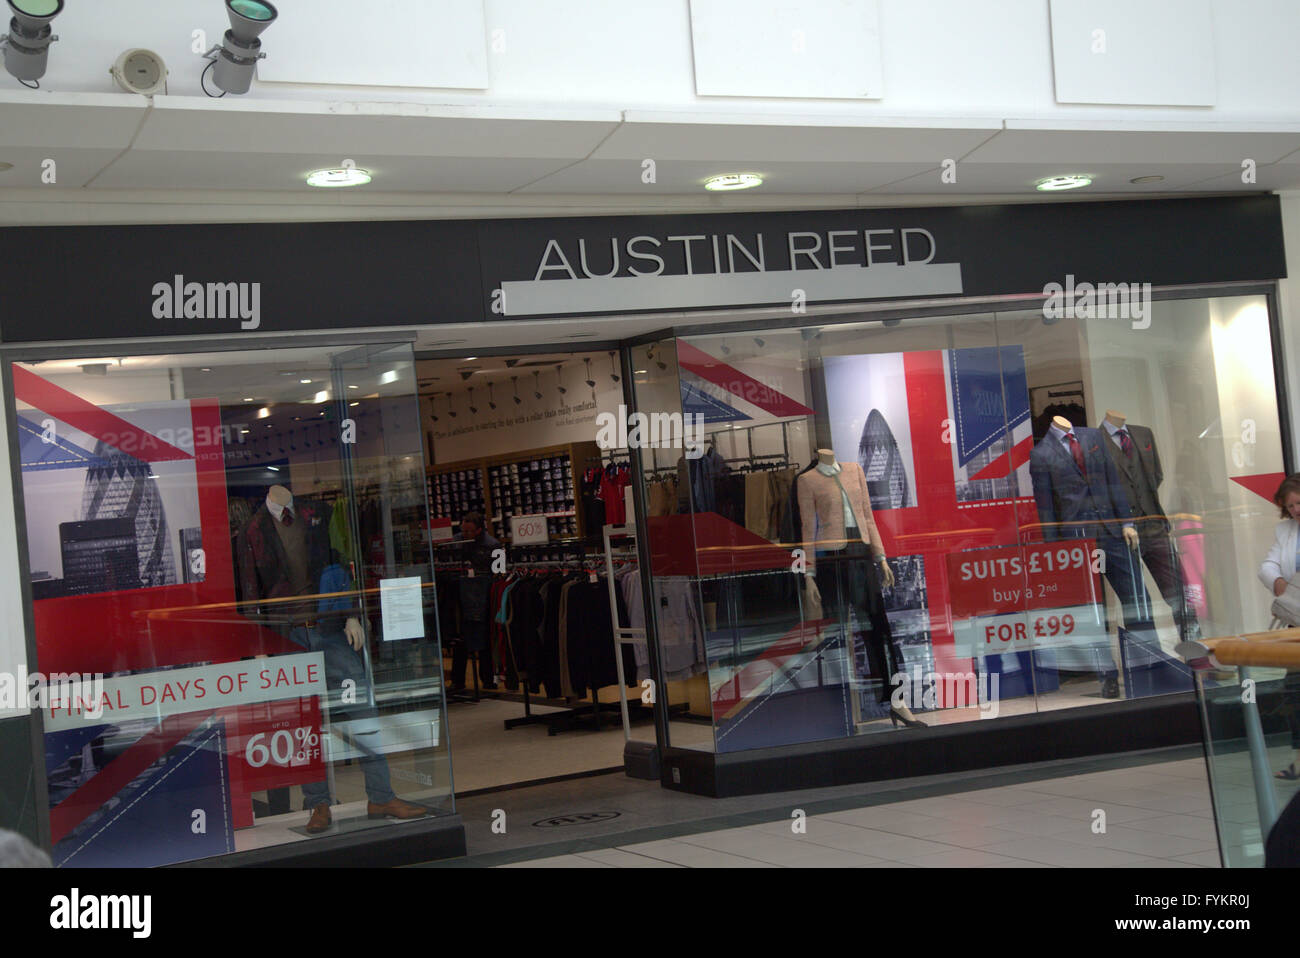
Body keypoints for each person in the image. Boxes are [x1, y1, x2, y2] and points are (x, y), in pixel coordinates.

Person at [1258, 473, 1300, 779]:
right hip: (1297, 623)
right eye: (1292, 505)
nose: (1297, 509)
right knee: (1294, 690)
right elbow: (1268, 565)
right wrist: (1278, 582)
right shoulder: (1285, 530)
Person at [448, 511, 501, 692]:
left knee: (485, 638)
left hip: (484, 595)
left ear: (479, 530)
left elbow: (500, 571)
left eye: (469, 531)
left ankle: (487, 680)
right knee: (461, 639)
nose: (465, 534)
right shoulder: (455, 541)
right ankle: (458, 680)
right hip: (461, 594)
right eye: (463, 530)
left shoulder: (493, 545)